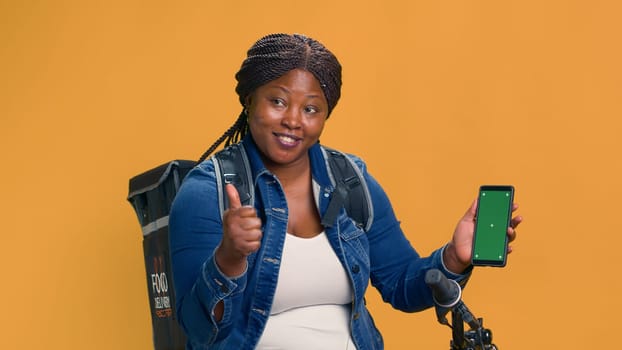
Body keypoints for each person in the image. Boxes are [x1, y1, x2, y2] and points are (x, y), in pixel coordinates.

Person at [169, 33, 522, 350]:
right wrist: (229, 259)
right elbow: (199, 331)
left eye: (310, 109)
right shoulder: (207, 191)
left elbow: (402, 285)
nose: (293, 119)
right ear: (249, 101)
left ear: (325, 115)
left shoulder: (350, 180)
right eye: (277, 101)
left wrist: (453, 258)